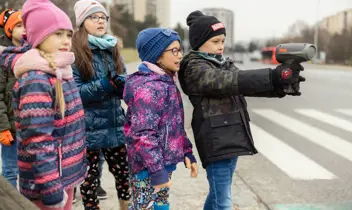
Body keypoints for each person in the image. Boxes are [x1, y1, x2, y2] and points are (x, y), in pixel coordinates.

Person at [178, 11, 306, 210]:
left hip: (232, 135)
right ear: (199, 42)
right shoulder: (194, 68)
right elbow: (225, 82)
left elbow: (245, 85)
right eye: (215, 41)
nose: (221, 46)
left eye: (223, 40)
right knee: (224, 201)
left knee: (218, 196)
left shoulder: (223, 63)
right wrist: (272, 76)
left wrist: (280, 85)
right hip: (215, 141)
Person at [0, 0, 88, 209]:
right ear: (39, 35)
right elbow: (38, 140)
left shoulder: (61, 70)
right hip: (48, 184)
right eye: (57, 33)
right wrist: (51, 192)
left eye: (68, 34)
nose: (66, 40)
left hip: (63, 176)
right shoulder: (37, 78)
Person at [124, 28, 198, 210]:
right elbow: (143, 135)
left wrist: (187, 151)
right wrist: (157, 170)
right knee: (144, 207)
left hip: (162, 165)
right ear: (156, 56)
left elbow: (174, 125)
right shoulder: (149, 88)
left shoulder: (165, 82)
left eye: (180, 50)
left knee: (162, 204)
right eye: (174, 51)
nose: (180, 55)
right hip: (147, 168)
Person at [72, 0, 130, 209]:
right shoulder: (76, 52)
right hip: (88, 130)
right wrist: (105, 84)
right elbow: (76, 93)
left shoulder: (113, 47)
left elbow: (125, 86)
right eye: (93, 17)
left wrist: (123, 84)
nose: (100, 21)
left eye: (103, 17)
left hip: (115, 127)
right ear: (82, 22)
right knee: (89, 183)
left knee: (124, 177)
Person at [0, 8, 24, 188]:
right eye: (19, 25)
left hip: (32, 126)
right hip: (11, 128)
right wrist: (3, 128)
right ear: (9, 30)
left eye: (27, 25)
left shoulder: (35, 53)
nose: (24, 29)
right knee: (10, 170)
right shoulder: (3, 58)